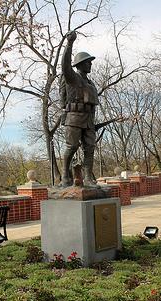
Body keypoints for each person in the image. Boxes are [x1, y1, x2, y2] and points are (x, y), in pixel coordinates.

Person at [60, 31, 99, 187]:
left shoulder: (91, 84)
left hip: (88, 119)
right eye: (88, 62)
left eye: (90, 62)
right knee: (72, 146)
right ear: (80, 64)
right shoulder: (72, 78)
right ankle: (65, 176)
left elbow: (92, 104)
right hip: (74, 117)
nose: (90, 64)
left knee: (89, 148)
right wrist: (69, 44)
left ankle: (88, 177)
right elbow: (65, 65)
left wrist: (93, 121)